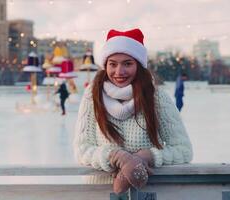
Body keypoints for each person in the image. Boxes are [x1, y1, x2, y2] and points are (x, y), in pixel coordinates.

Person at [74, 28, 193, 194]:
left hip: (145, 193)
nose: (119, 72)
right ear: (105, 65)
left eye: (127, 63)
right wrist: (117, 157)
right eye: (113, 64)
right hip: (99, 193)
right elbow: (83, 149)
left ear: (139, 65)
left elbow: (183, 149)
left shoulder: (156, 98)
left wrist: (147, 157)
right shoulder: (92, 95)